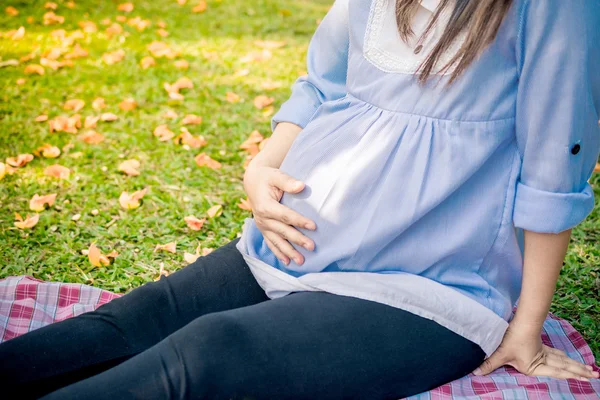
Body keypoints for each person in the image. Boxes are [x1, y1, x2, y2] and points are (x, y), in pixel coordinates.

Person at [1, 0, 599, 398]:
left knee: (205, 355)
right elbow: (324, 83)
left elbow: (557, 157)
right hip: (302, 241)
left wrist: (526, 327)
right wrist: (263, 164)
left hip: (434, 284)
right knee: (124, 323)